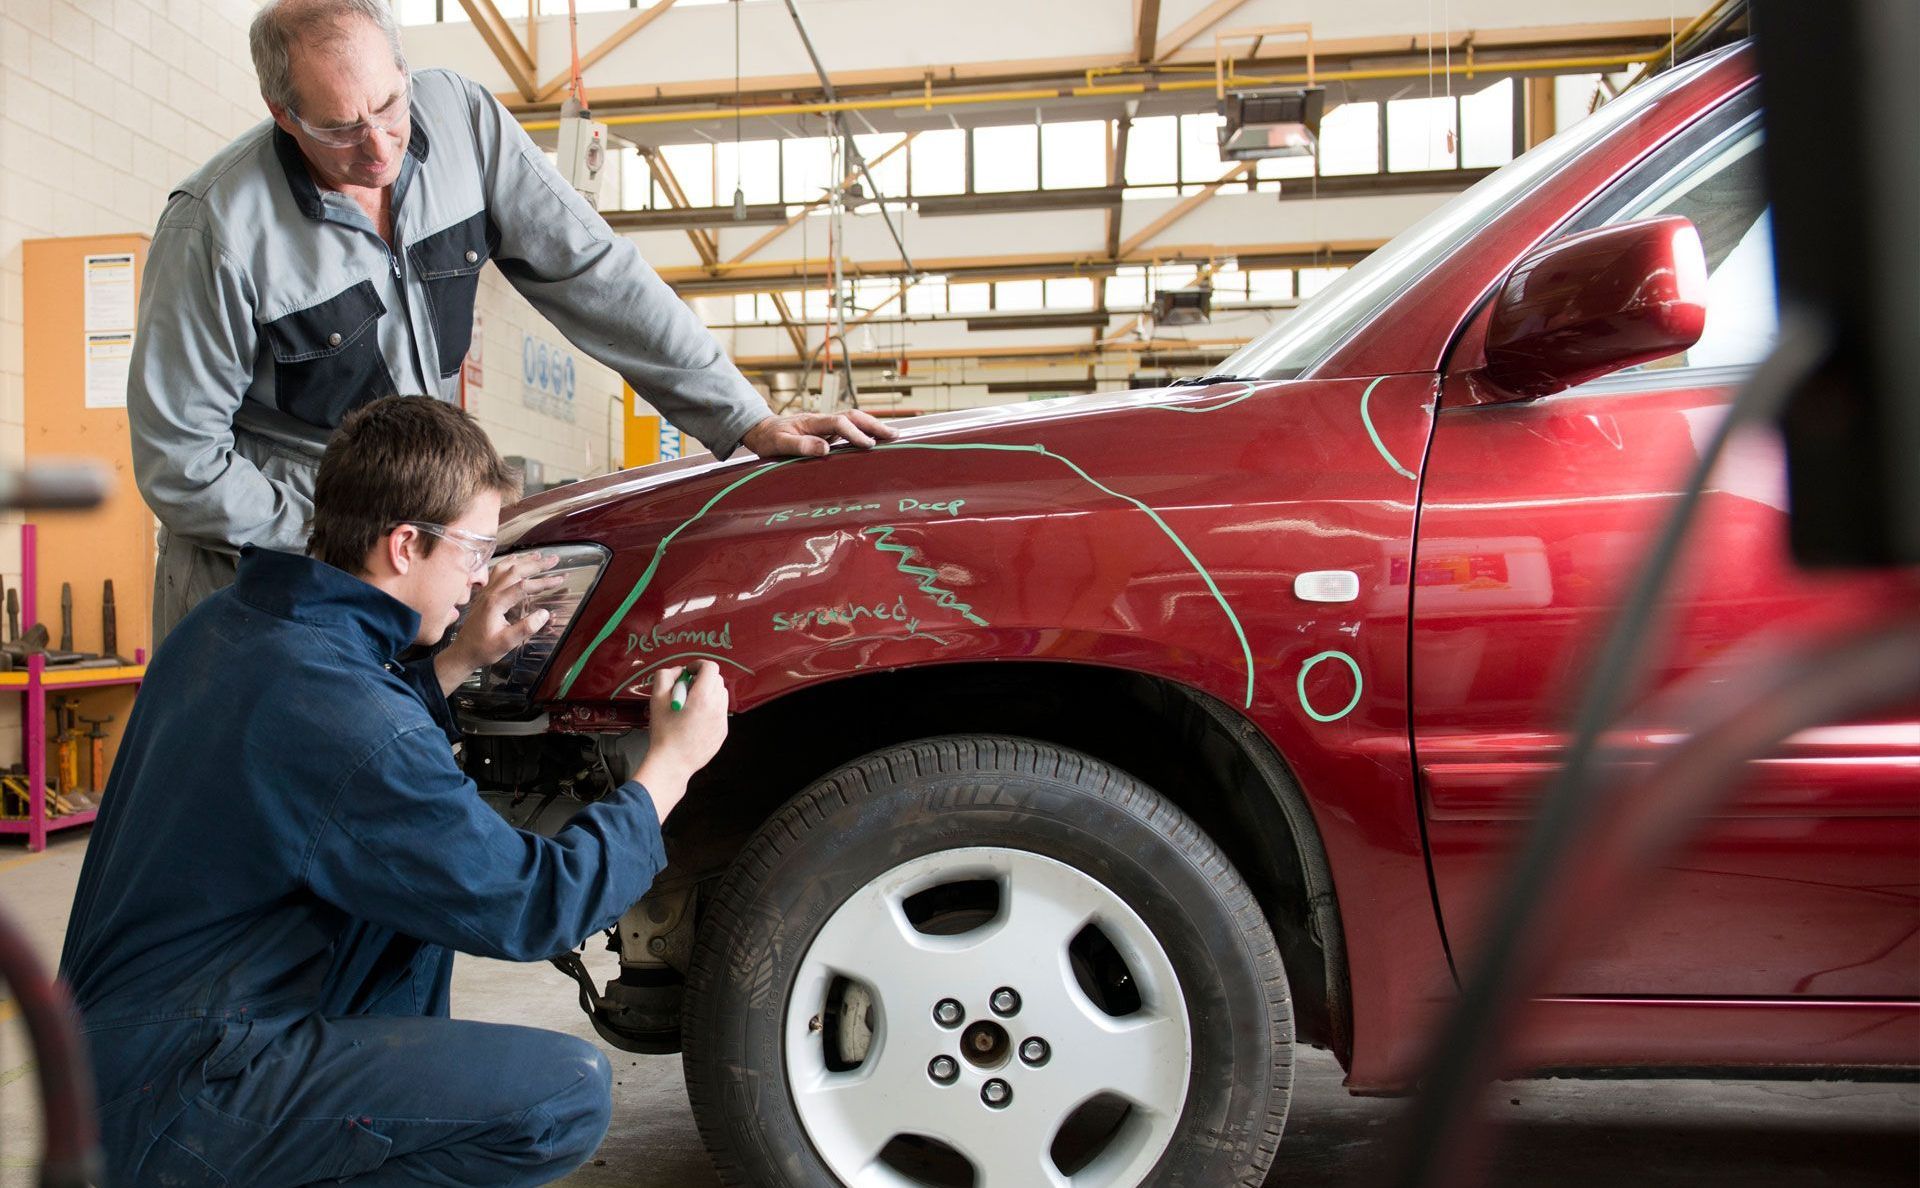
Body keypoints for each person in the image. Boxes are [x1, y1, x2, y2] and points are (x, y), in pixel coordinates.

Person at [61, 397, 729, 1186]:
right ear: (405, 544)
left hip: (106, 1060)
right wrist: (671, 768)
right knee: (560, 1095)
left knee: (405, 913)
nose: (482, 576)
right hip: (183, 1093)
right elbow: (530, 905)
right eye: (476, 551)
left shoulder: (228, 626)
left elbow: (334, 753)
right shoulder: (350, 717)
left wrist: (456, 660)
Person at [129, 0, 894, 644]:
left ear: (404, 69)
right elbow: (182, 462)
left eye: (390, 107)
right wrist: (346, 548)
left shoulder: (462, 122)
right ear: (282, 115)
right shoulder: (216, 230)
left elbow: (595, 272)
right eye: (338, 128)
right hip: (262, 574)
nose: (377, 147)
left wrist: (743, 418)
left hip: (403, 543)